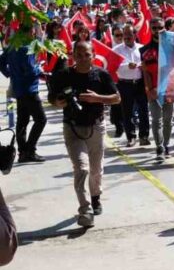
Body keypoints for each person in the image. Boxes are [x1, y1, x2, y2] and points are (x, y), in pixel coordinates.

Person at [47, 41, 121, 228]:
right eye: (78, 55)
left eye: (86, 54)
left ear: (93, 55)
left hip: (96, 127)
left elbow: (117, 98)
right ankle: (85, 209)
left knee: (96, 169)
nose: (82, 58)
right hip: (72, 128)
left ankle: (95, 197)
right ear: (72, 56)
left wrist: (97, 98)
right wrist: (59, 102)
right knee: (82, 169)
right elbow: (52, 98)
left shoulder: (101, 75)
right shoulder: (63, 75)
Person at [0, 24, 47, 162]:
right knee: (41, 120)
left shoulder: (12, 48)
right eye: (33, 31)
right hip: (29, 89)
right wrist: (40, 68)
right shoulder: (27, 49)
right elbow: (31, 71)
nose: (34, 34)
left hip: (18, 88)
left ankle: (23, 153)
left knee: (22, 121)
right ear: (28, 33)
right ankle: (29, 150)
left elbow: (1, 62)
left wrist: (9, 74)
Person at [113, 24, 150, 147]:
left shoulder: (142, 48)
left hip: (139, 83)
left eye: (130, 34)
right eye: (125, 34)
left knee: (143, 110)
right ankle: (131, 137)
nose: (127, 37)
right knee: (127, 112)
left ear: (135, 35)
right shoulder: (117, 50)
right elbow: (113, 67)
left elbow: (149, 65)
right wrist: (126, 66)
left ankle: (144, 136)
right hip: (125, 84)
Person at [142, 18, 173, 161]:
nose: (157, 30)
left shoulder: (172, 47)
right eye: (153, 27)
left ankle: (166, 144)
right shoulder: (144, 50)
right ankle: (159, 147)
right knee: (156, 120)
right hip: (153, 90)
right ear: (150, 29)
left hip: (169, 89)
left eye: (159, 27)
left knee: (168, 120)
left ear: (164, 28)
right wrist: (150, 88)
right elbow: (145, 72)